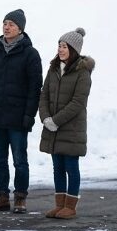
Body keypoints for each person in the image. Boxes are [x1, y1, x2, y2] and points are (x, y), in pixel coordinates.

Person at [0, 9, 43, 214]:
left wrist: (29, 115)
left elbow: (35, 88)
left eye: (11, 24)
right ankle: (2, 196)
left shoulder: (30, 54)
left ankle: (21, 197)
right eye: (4, 23)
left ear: (20, 28)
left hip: (17, 117)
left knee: (19, 160)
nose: (6, 27)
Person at [39, 28, 94, 219]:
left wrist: (56, 120)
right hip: (52, 127)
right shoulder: (53, 68)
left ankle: (70, 206)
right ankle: (59, 205)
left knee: (71, 166)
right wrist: (45, 118)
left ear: (74, 49)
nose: (61, 50)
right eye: (59, 45)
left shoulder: (82, 72)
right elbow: (44, 94)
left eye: (65, 46)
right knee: (57, 167)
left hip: (71, 129)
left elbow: (78, 103)